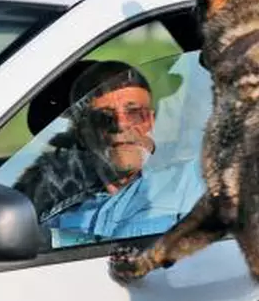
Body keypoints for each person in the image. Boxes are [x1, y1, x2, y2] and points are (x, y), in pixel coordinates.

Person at [13, 60, 205, 247]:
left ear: (150, 121)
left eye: (135, 112)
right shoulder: (54, 201)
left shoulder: (194, 179)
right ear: (82, 132)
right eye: (104, 117)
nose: (121, 125)